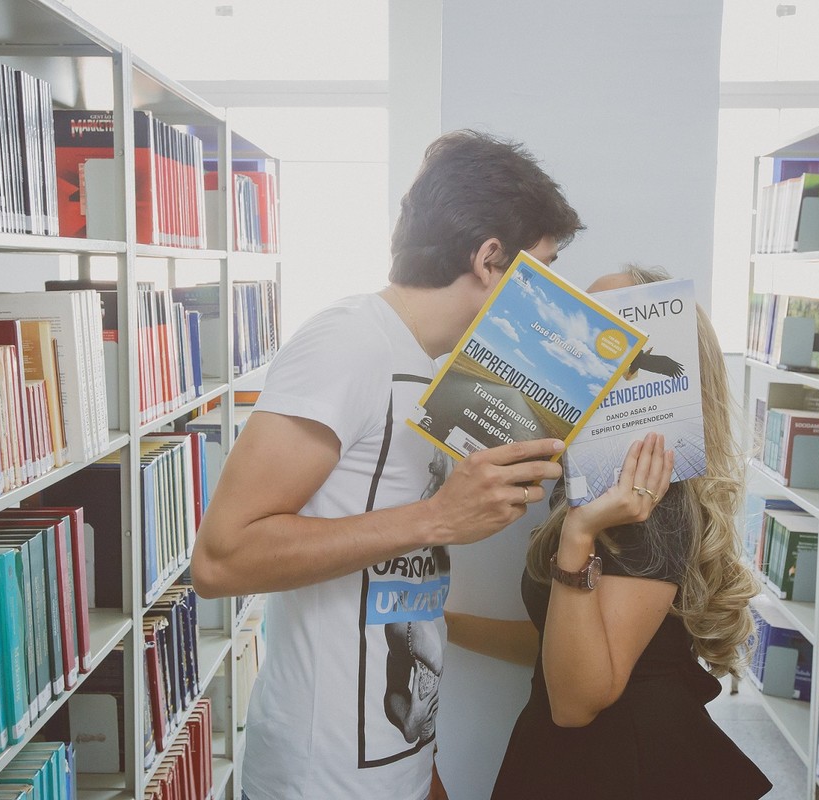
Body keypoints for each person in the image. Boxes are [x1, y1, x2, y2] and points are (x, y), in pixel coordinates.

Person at [189, 130, 584, 800]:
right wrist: (436, 517)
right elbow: (221, 560)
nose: (547, 295)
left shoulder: (436, 368)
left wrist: (422, 763)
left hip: (397, 756)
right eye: (540, 268)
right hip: (324, 777)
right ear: (490, 259)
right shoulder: (347, 341)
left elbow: (397, 576)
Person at [446, 266, 772, 799]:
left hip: (622, 763)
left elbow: (575, 705)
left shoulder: (649, 500)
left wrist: (578, 535)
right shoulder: (599, 481)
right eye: (582, 322)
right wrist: (445, 624)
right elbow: (564, 640)